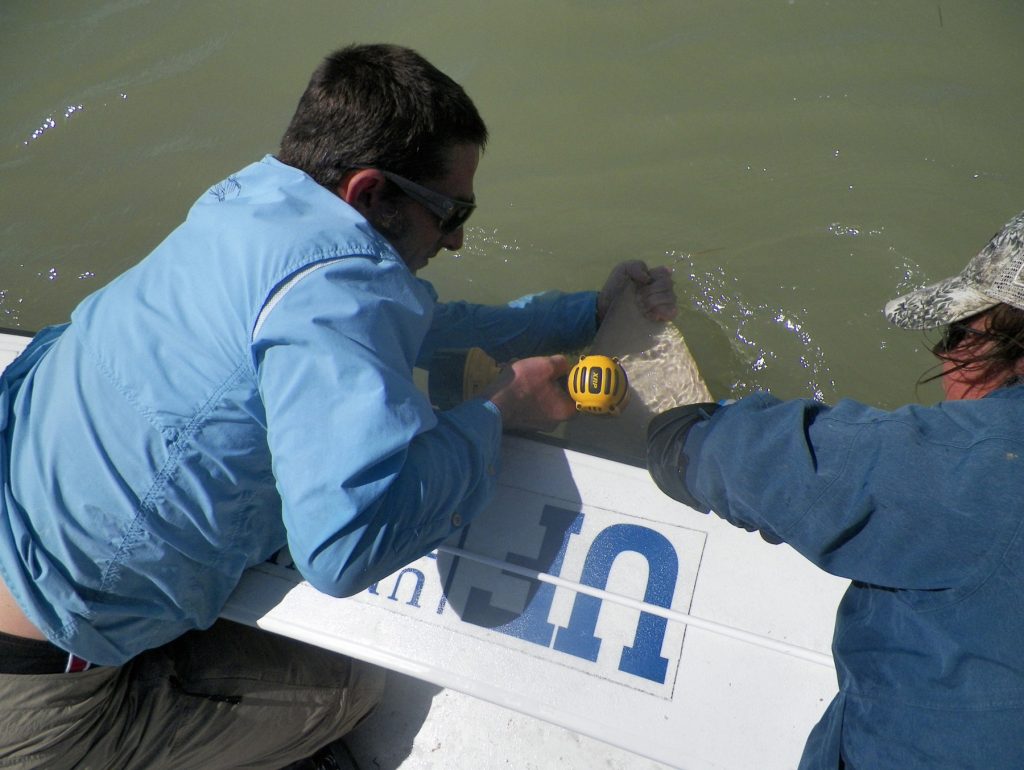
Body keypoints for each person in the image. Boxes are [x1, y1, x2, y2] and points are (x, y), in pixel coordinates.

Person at [0, 44, 677, 770]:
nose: (457, 239)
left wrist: (579, 315)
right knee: (347, 685)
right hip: (43, 693)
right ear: (366, 193)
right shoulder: (337, 292)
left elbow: (405, 327)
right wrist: (498, 413)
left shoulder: (254, 203)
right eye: (452, 211)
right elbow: (344, 550)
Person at [646, 208, 1024, 769]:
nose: (946, 354)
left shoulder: (983, 459)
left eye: (960, 332)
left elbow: (761, 463)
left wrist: (679, 433)